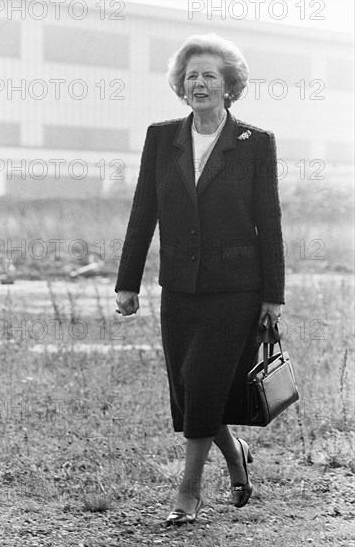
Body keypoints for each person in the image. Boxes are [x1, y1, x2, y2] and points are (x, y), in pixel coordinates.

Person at [115, 33, 285, 525]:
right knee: (189, 389)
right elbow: (142, 213)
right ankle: (235, 455)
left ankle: (187, 490)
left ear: (229, 86)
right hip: (180, 286)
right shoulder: (160, 137)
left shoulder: (256, 143)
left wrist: (274, 295)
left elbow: (268, 222)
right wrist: (128, 282)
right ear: (180, 85)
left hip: (236, 287)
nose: (200, 83)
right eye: (192, 76)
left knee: (205, 383)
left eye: (210, 75)